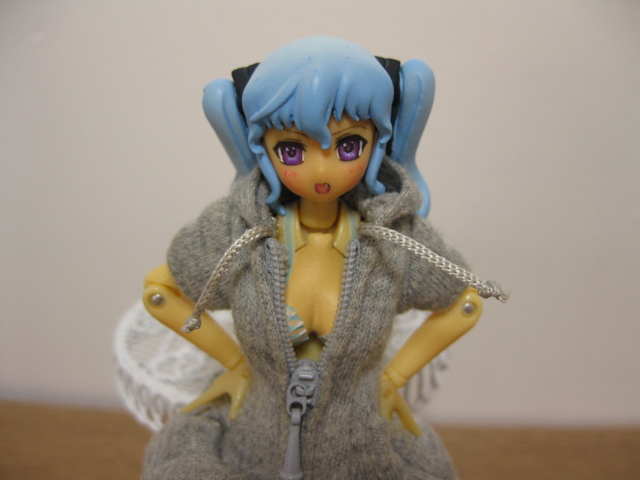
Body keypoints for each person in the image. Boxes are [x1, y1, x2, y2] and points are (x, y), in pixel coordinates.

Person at [141, 36, 507, 480]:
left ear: (378, 141)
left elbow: (465, 301)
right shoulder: (238, 232)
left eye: (348, 146)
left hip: (359, 448)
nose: (321, 171)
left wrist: (391, 381)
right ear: (262, 148)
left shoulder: (394, 239)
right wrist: (237, 365)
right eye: (292, 150)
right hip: (255, 442)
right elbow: (159, 292)